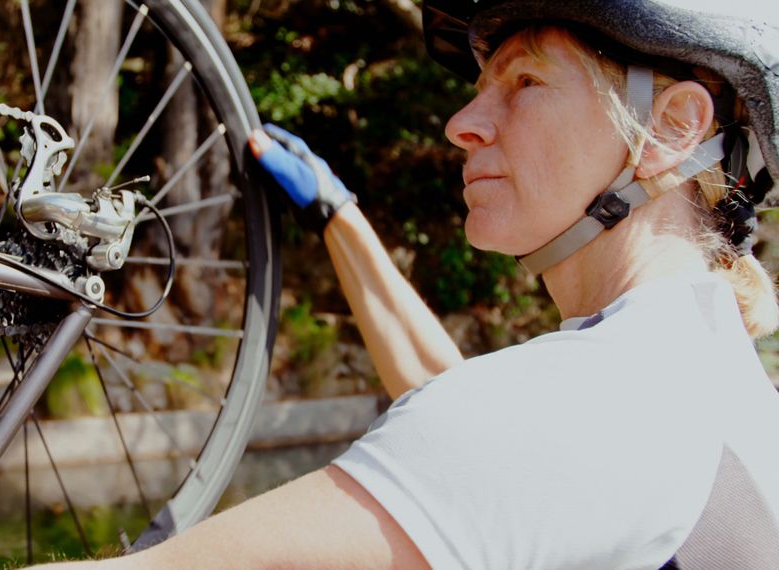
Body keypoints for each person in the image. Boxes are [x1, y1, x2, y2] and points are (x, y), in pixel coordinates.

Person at [39, 0, 779, 567]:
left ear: (672, 126)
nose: (462, 122)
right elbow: (457, 416)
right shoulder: (687, 376)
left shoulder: (584, 407)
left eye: (525, 80)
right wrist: (338, 218)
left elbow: (487, 439)